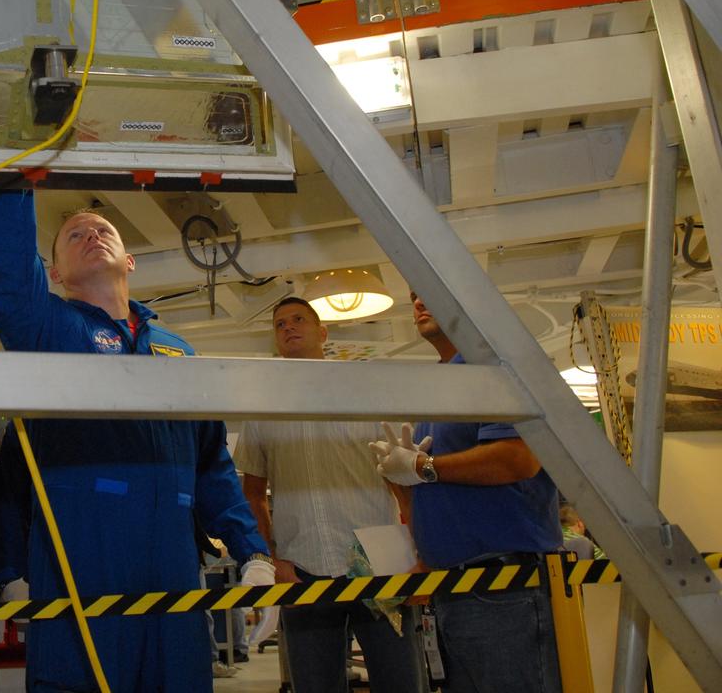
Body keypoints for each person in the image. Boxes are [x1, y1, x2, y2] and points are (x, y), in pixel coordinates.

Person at [0, 187, 273, 693]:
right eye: (74, 235)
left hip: (175, 565)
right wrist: (12, 176)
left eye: (103, 230)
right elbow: (3, 273)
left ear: (129, 260)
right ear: (55, 274)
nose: (91, 234)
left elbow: (211, 465)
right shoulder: (49, 329)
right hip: (84, 559)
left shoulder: (177, 350)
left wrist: (252, 554)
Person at [371, 292, 564, 693]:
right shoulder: (441, 386)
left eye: (429, 289)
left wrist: (423, 468)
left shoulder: (493, 367)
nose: (421, 302)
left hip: (502, 586)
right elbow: (428, 484)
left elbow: (518, 459)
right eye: (412, 297)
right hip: (457, 589)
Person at [234, 297, 425, 693]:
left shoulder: (365, 395)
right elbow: (252, 493)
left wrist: (420, 555)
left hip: (379, 564)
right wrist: (273, 559)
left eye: (299, 319)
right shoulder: (262, 409)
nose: (288, 327)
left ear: (323, 332)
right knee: (314, 685)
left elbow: (400, 480)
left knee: (402, 681)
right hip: (300, 569)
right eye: (280, 323)